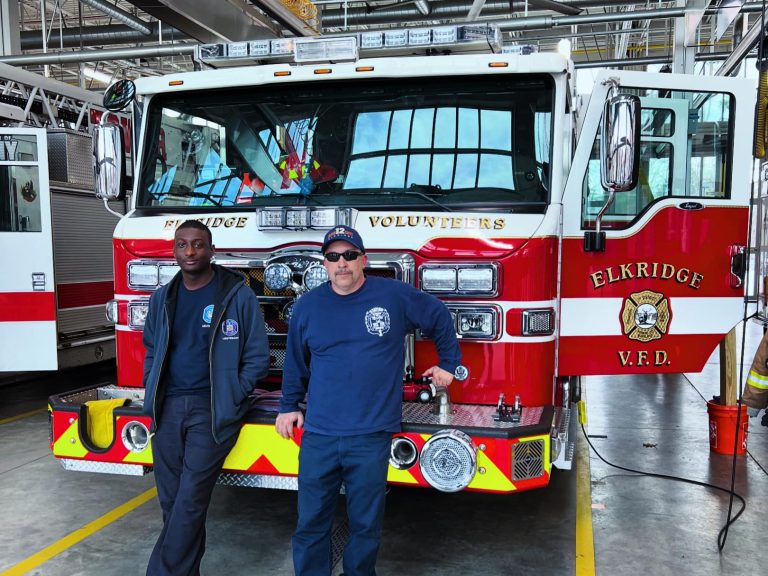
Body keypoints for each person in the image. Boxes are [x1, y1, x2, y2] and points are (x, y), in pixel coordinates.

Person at [276, 225, 461, 576]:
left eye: (349, 255)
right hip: (320, 435)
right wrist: (288, 406)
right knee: (311, 522)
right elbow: (296, 362)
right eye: (333, 257)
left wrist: (449, 363)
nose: (341, 263)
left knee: (365, 525)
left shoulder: (393, 296)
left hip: (371, 435)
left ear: (364, 259)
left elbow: (437, 315)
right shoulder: (308, 307)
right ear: (325, 264)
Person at [142, 220, 270, 576]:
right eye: (182, 245)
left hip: (212, 409)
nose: (190, 252)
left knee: (190, 498)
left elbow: (257, 357)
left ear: (211, 250)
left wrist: (234, 392)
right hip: (167, 407)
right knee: (172, 501)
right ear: (174, 251)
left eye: (198, 245)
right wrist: (151, 385)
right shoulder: (162, 298)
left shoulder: (236, 295)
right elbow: (152, 349)